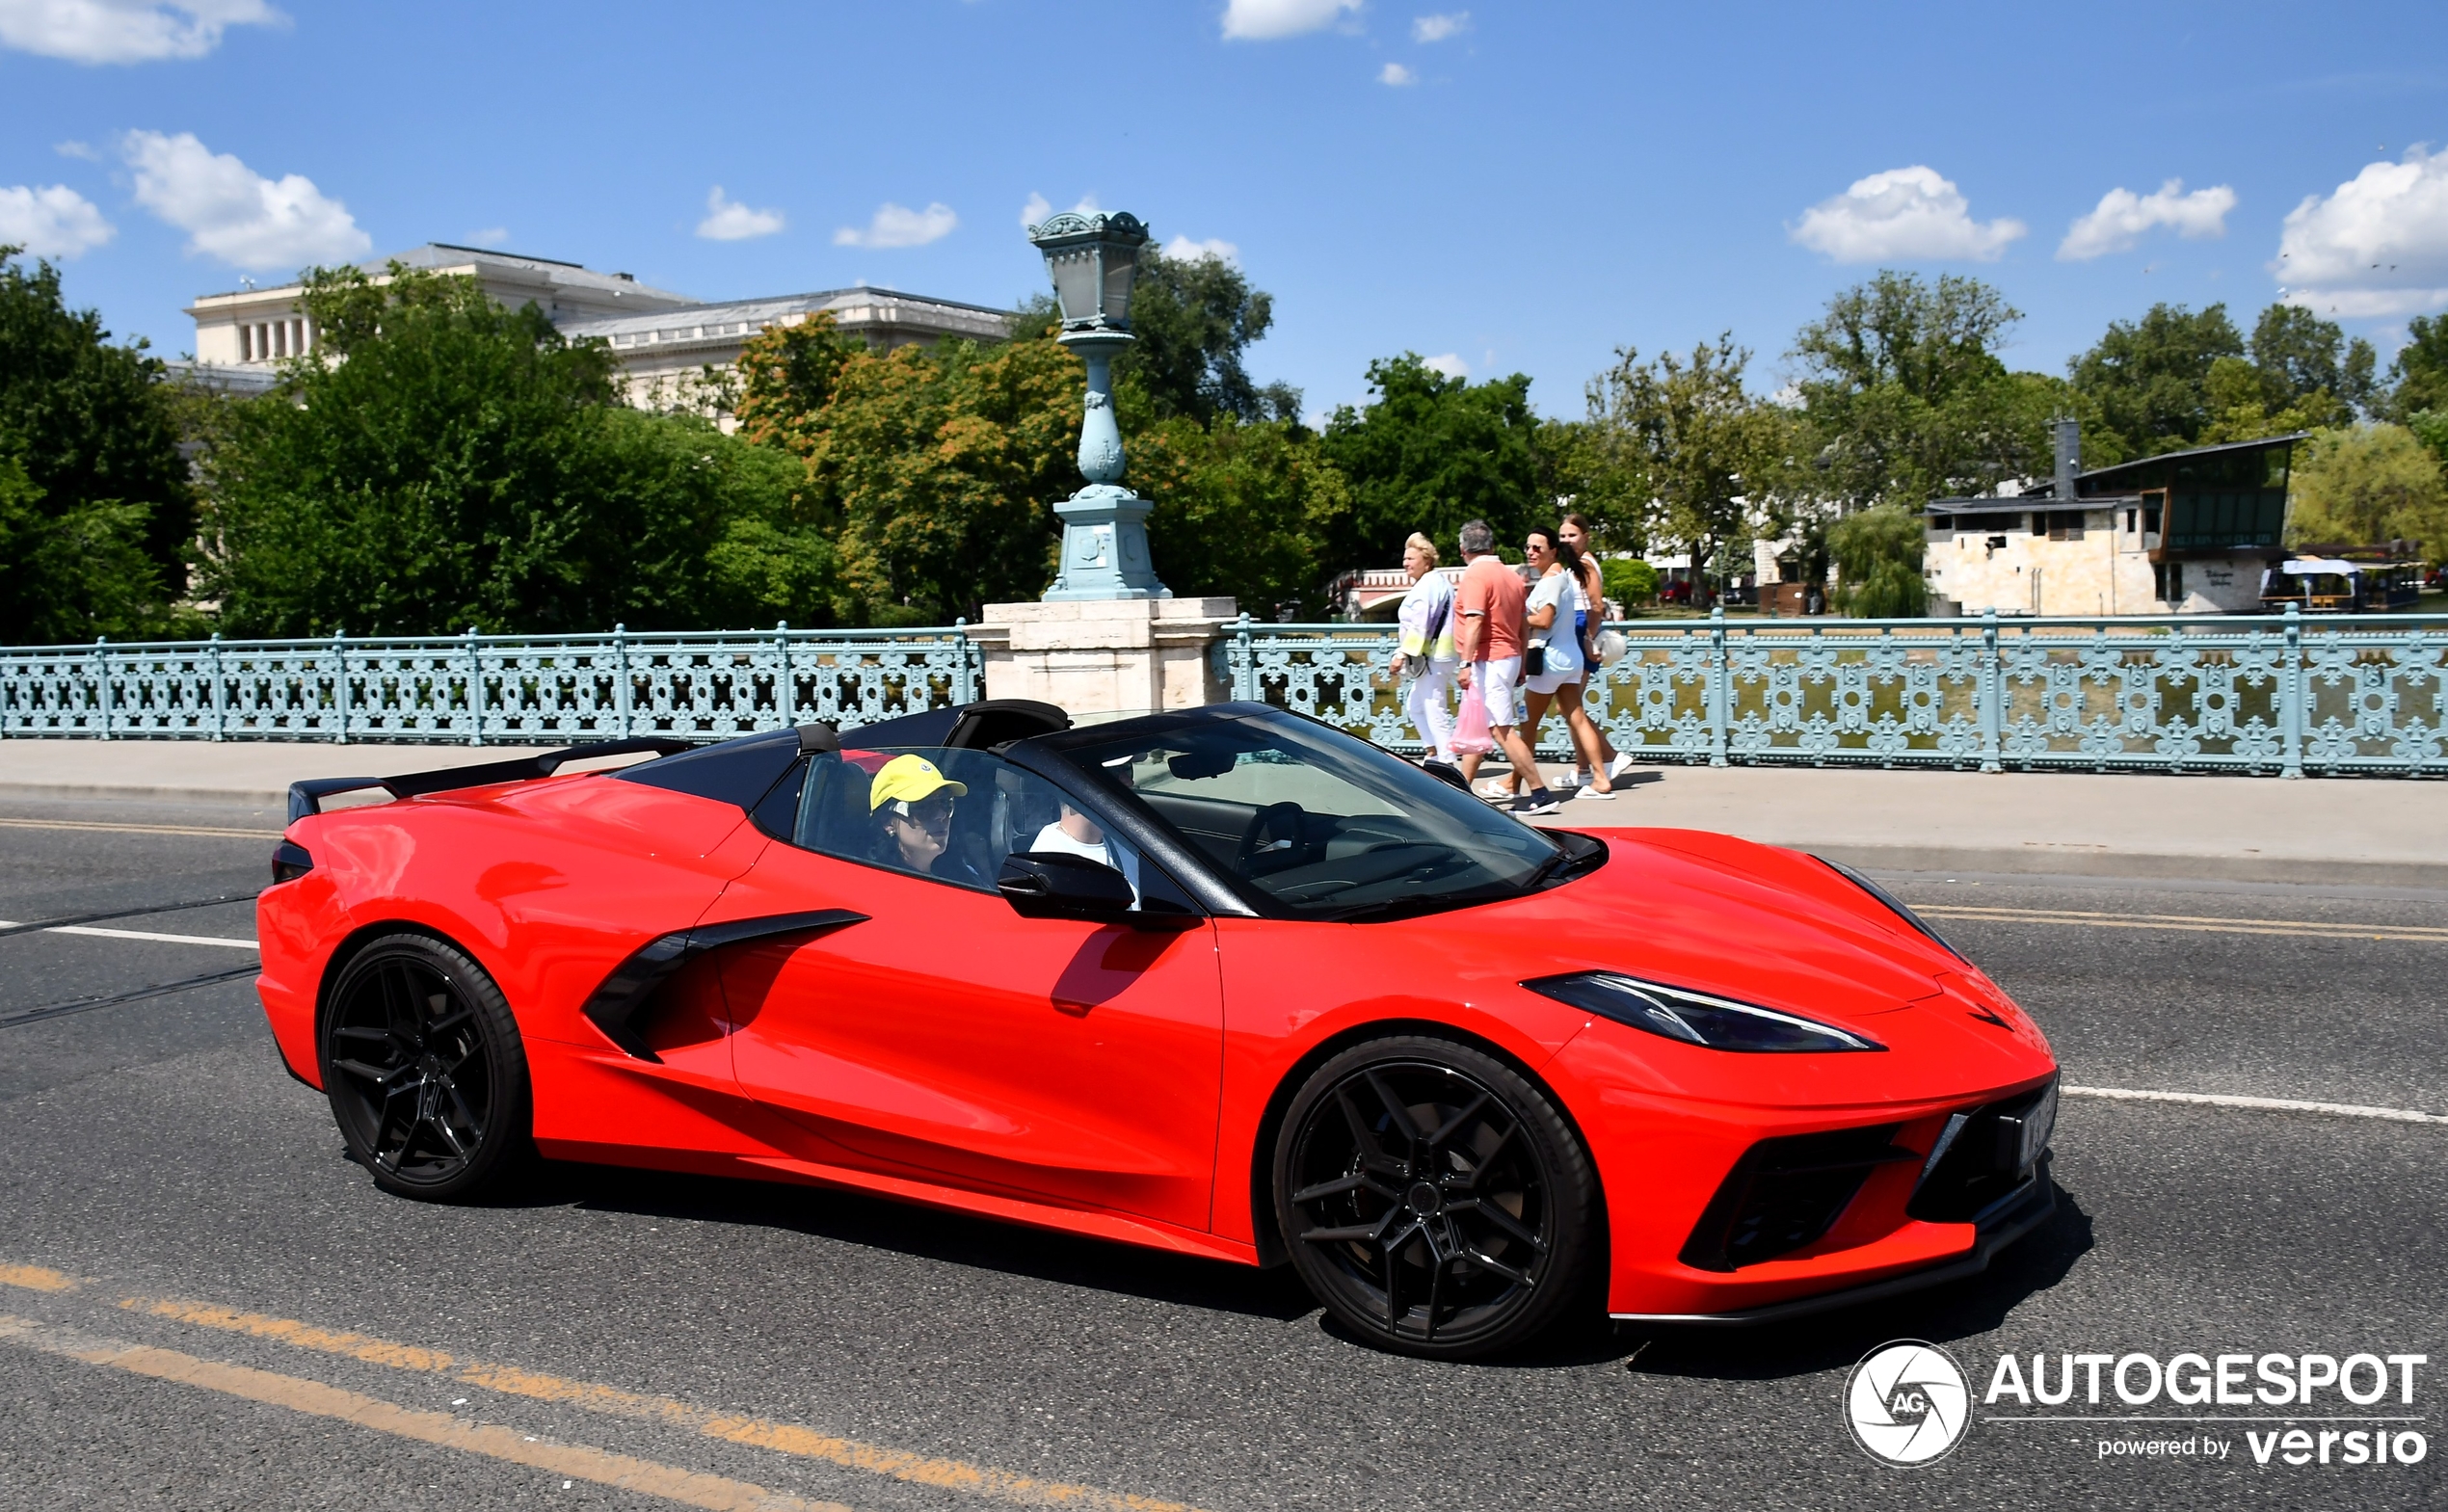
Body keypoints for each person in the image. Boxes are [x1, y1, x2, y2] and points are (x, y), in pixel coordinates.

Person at [1451, 518, 1558, 815]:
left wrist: (1465, 663)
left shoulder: (1475, 576)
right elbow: (1523, 624)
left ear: (1463, 550)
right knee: (1479, 723)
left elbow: (1474, 620)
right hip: (1508, 656)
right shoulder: (1511, 575)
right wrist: (1522, 662)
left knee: (1501, 730)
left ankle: (1541, 792)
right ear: (1492, 545)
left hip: (1490, 660)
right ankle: (1462, 791)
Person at [1557, 512, 1634, 791]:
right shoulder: (1575, 566)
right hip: (1575, 636)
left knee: (1570, 706)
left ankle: (1610, 756)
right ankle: (1583, 768)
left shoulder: (1586, 565)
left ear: (1585, 537)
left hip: (1580, 637)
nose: (1566, 540)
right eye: (1562, 536)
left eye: (1572, 535)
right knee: (1571, 706)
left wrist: (1588, 639)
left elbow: (1596, 606)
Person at [1388, 531, 1458, 763]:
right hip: (1441, 655)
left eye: (1411, 559)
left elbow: (1420, 625)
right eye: (1405, 559)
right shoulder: (1438, 581)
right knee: (1416, 705)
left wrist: (1401, 654)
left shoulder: (1426, 586)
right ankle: (1433, 751)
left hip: (1431, 657)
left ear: (1426, 561)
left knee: (1434, 707)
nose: (1406, 564)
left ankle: (1447, 761)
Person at [867, 753, 981, 883]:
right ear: (888, 822)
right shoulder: (879, 885)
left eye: (946, 803)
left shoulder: (964, 876)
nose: (941, 815)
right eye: (924, 807)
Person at [1027, 799, 1142, 905]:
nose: (1128, 782)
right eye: (1114, 777)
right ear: (1074, 795)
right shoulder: (1050, 866)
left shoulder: (1124, 842)